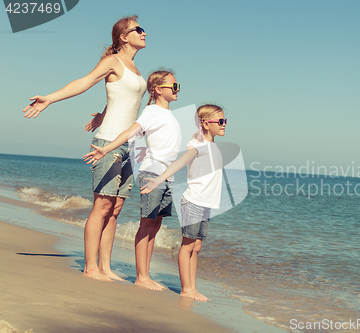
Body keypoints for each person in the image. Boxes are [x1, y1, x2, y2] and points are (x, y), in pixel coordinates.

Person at [23, 16, 147, 281]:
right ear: (123, 37)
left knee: (115, 210)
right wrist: (50, 99)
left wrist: (103, 113)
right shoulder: (112, 62)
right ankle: (91, 268)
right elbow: (84, 82)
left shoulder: (136, 68)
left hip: (129, 144)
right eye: (138, 29)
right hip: (109, 142)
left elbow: (122, 99)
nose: (144, 33)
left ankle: (105, 267)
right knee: (102, 206)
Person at [84, 70, 182, 290]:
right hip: (153, 173)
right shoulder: (151, 112)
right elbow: (130, 132)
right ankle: (141, 276)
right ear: (158, 89)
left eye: (178, 87)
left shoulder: (168, 115)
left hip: (167, 175)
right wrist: (107, 149)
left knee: (155, 224)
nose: (177, 90)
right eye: (174, 86)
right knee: (147, 222)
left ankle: (139, 274)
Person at [140, 104, 227, 301]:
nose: (224, 125)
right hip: (193, 201)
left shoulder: (213, 146)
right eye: (220, 121)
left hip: (206, 204)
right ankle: (186, 289)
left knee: (196, 247)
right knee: (187, 245)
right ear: (206, 124)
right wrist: (158, 179)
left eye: (225, 121)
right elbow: (179, 163)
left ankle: (192, 287)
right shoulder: (197, 147)